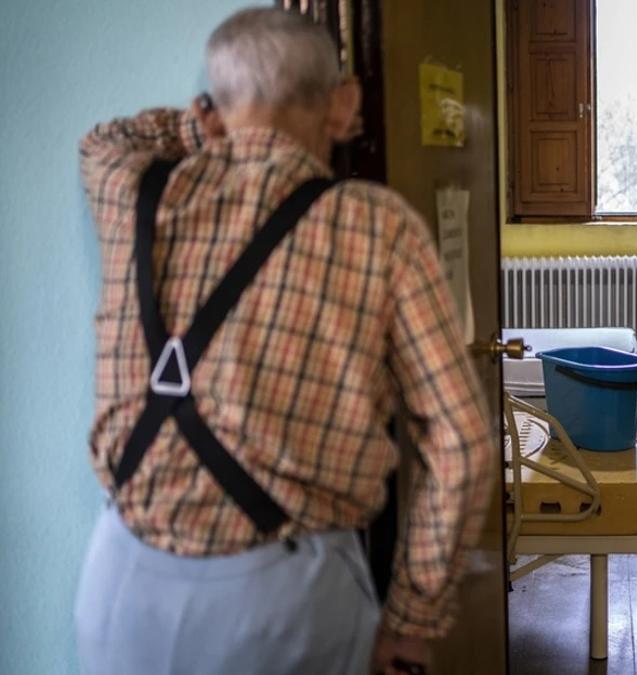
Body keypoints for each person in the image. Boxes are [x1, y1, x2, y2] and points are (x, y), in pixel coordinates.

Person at [73, 8, 494, 675]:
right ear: (345, 101)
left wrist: (199, 125)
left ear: (215, 102)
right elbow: (464, 443)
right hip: (279, 604)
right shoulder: (377, 225)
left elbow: (104, 138)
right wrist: (412, 621)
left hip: (120, 580)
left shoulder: (135, 191)